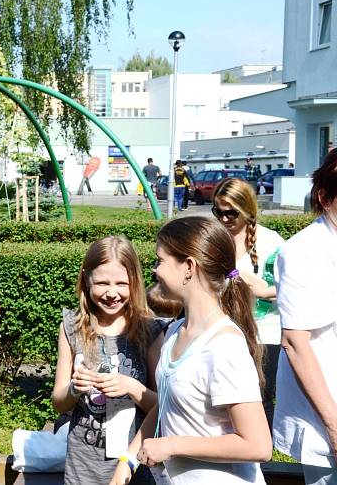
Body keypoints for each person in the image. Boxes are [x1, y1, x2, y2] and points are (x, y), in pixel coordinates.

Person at [110, 217, 271, 485]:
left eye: (160, 260)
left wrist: (172, 445)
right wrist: (128, 460)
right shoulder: (174, 333)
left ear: (188, 267)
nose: (154, 270)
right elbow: (165, 405)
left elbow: (258, 445)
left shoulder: (223, 345)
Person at [52, 236, 165, 485]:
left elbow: (165, 406)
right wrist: (74, 388)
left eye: (121, 284)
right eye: (102, 283)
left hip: (134, 465)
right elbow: (59, 403)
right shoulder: (71, 328)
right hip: (82, 467)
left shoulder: (149, 330)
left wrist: (133, 388)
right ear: (86, 279)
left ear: (134, 282)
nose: (112, 293)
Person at [273, 148, 337, 484]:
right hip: (328, 422)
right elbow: (295, 342)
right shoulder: (304, 252)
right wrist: (334, 426)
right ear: (325, 198)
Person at [211, 177, 285, 428]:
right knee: (225, 397)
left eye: (231, 213)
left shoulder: (271, 241)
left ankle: (262, 456)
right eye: (218, 212)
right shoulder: (213, 240)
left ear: (247, 209)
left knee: (261, 399)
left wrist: (264, 292)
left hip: (265, 335)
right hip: (223, 334)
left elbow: (296, 289)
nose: (223, 219)